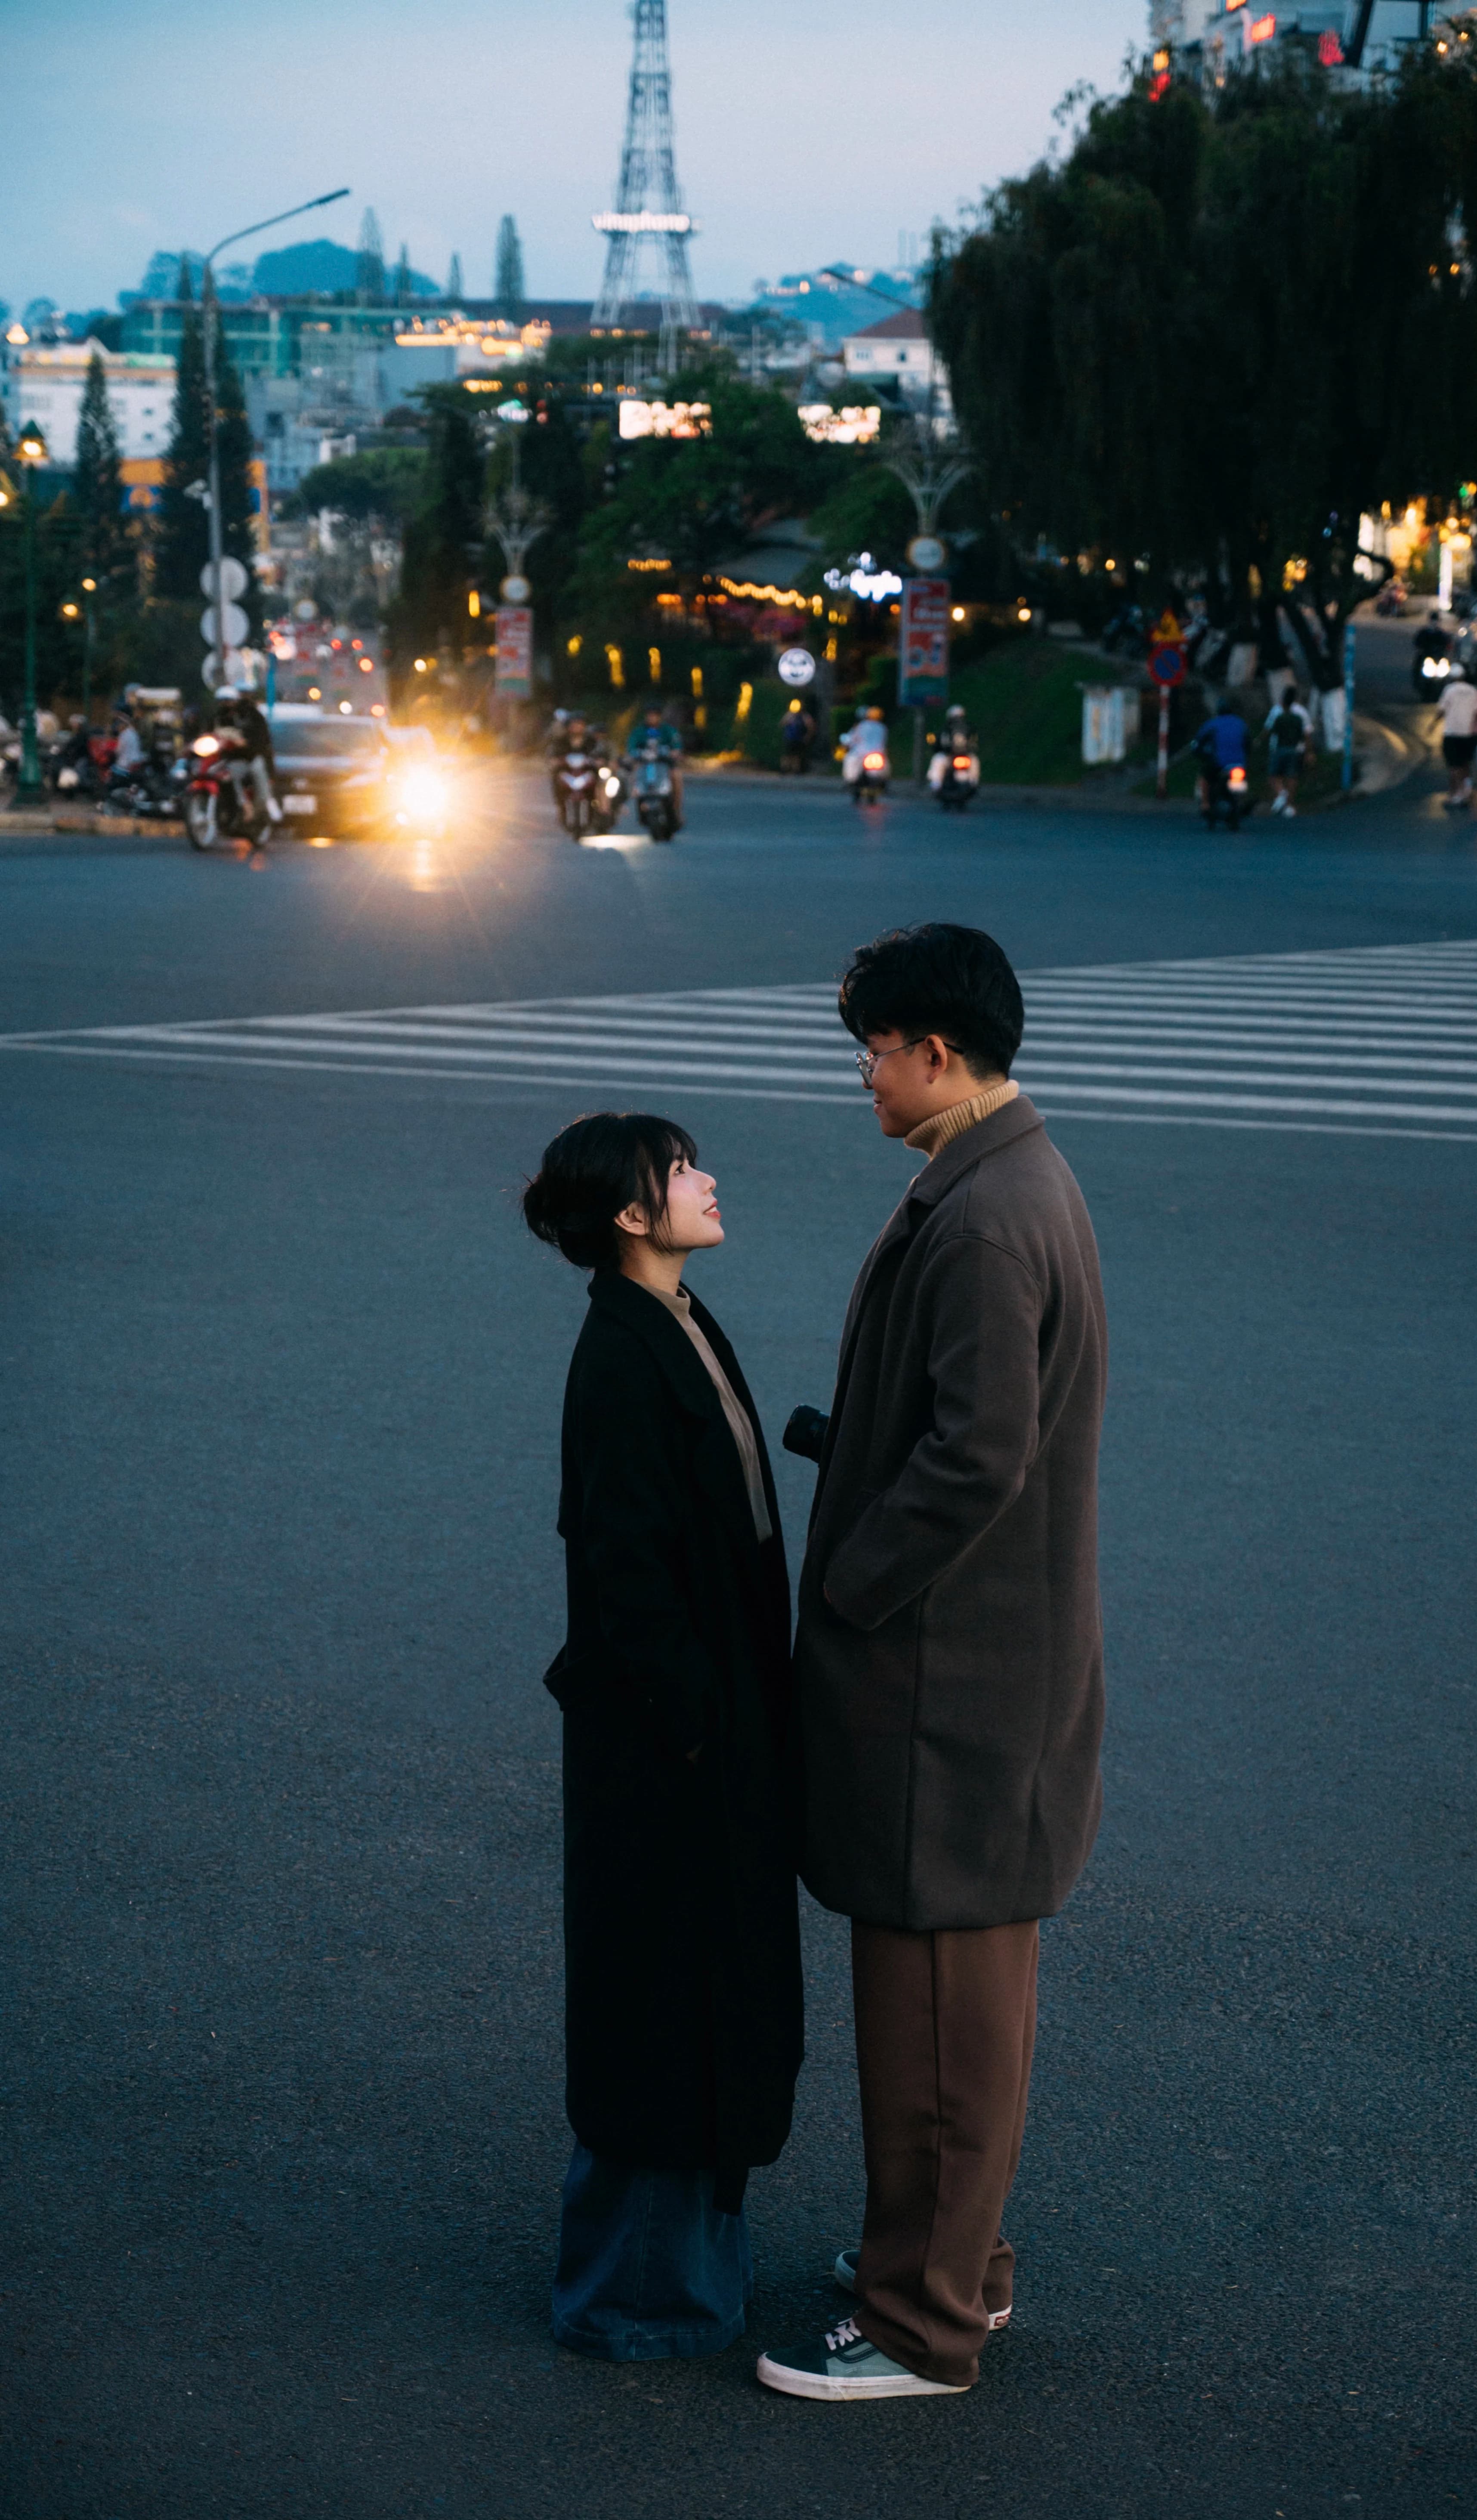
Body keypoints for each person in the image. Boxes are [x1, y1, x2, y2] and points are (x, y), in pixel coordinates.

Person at [757, 924, 1107, 2403]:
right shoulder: (1006, 1174)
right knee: (947, 2006)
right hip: (971, 1680)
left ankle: (923, 2327)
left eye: (875, 1049)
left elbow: (979, 1455)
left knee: (940, 2020)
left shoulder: (980, 1216)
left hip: (950, 1689)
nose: (865, 1073)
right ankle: (950, 2265)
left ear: (937, 1054)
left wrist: (850, 1577)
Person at [522, 1113, 803, 2362]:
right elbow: (626, 1577)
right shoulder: (621, 1354)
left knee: (705, 2005)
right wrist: (703, 1732)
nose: (706, 1179)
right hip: (667, 1753)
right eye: (683, 1169)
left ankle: (685, 2275)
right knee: (663, 2013)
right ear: (632, 1214)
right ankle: (638, 2296)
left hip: (710, 1735)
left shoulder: (675, 1316)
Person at [212, 686, 281, 823]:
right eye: (223, 701)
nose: (226, 705)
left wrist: (246, 743)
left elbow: (262, 740)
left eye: (229, 701)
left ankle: (266, 806)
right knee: (229, 775)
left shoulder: (253, 716)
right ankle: (242, 807)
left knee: (260, 776)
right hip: (231, 759)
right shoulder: (218, 717)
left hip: (253, 757)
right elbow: (208, 733)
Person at [1435, 663, 1477, 808]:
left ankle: (1459, 794)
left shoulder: (1449, 690)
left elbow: (1442, 710)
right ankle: (1466, 790)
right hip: (1469, 734)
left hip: (1452, 734)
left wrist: (1433, 725)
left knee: (1453, 766)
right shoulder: (1473, 691)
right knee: (1465, 763)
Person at [627, 700, 684, 827]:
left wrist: (675, 753)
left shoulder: (668, 730)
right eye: (650, 715)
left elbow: (677, 746)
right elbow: (631, 748)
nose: (652, 718)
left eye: (655, 715)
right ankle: (640, 803)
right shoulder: (639, 731)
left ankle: (677, 810)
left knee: (676, 776)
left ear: (660, 716)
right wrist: (634, 755)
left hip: (664, 763)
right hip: (645, 763)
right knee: (634, 774)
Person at [1192, 700, 1248, 826]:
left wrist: (1199, 753)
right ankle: (1240, 802)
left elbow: (1198, 742)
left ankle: (1205, 805)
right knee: (1241, 781)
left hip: (1219, 763)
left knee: (1205, 777)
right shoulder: (1240, 723)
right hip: (1239, 764)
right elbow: (1247, 743)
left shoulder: (1213, 724)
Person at [1262, 687, 1312, 817]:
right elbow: (1307, 734)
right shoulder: (1301, 712)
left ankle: (1282, 795)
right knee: (1292, 777)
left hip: (1279, 749)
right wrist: (1308, 752)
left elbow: (1269, 730)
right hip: (1297, 750)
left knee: (1274, 775)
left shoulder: (1277, 712)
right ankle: (1289, 805)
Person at [840, 703, 890, 786]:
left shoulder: (861, 726)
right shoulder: (883, 727)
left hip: (861, 754)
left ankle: (850, 781)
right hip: (878, 753)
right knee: (886, 768)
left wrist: (847, 744)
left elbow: (852, 739)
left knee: (849, 761)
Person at [779, 699, 816, 775]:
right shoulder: (789, 715)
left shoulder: (804, 716)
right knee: (788, 755)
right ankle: (785, 769)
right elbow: (782, 723)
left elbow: (811, 727)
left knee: (797, 756)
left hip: (799, 739)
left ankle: (796, 770)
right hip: (790, 738)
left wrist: (807, 737)